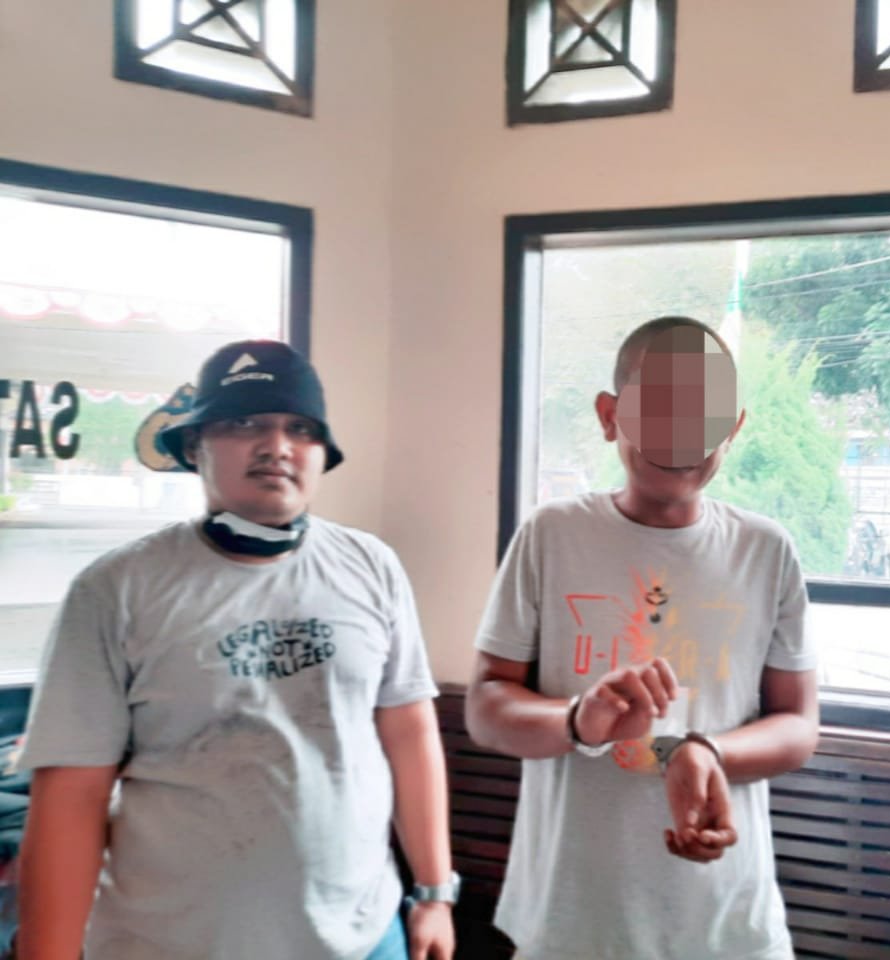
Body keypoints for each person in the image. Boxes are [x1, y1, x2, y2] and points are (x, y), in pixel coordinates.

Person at [17, 340, 458, 960]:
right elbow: (71, 797)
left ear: (321, 454)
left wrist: (435, 893)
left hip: (364, 936)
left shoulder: (371, 566)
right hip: (168, 944)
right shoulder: (115, 588)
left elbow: (408, 731)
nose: (276, 445)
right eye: (244, 423)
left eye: (300, 429)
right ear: (194, 446)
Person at [466, 316, 820, 960]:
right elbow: (487, 707)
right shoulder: (551, 535)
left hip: (729, 927)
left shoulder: (766, 550)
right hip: (569, 925)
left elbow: (798, 724)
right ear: (610, 415)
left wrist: (705, 751)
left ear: (733, 426)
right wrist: (579, 720)